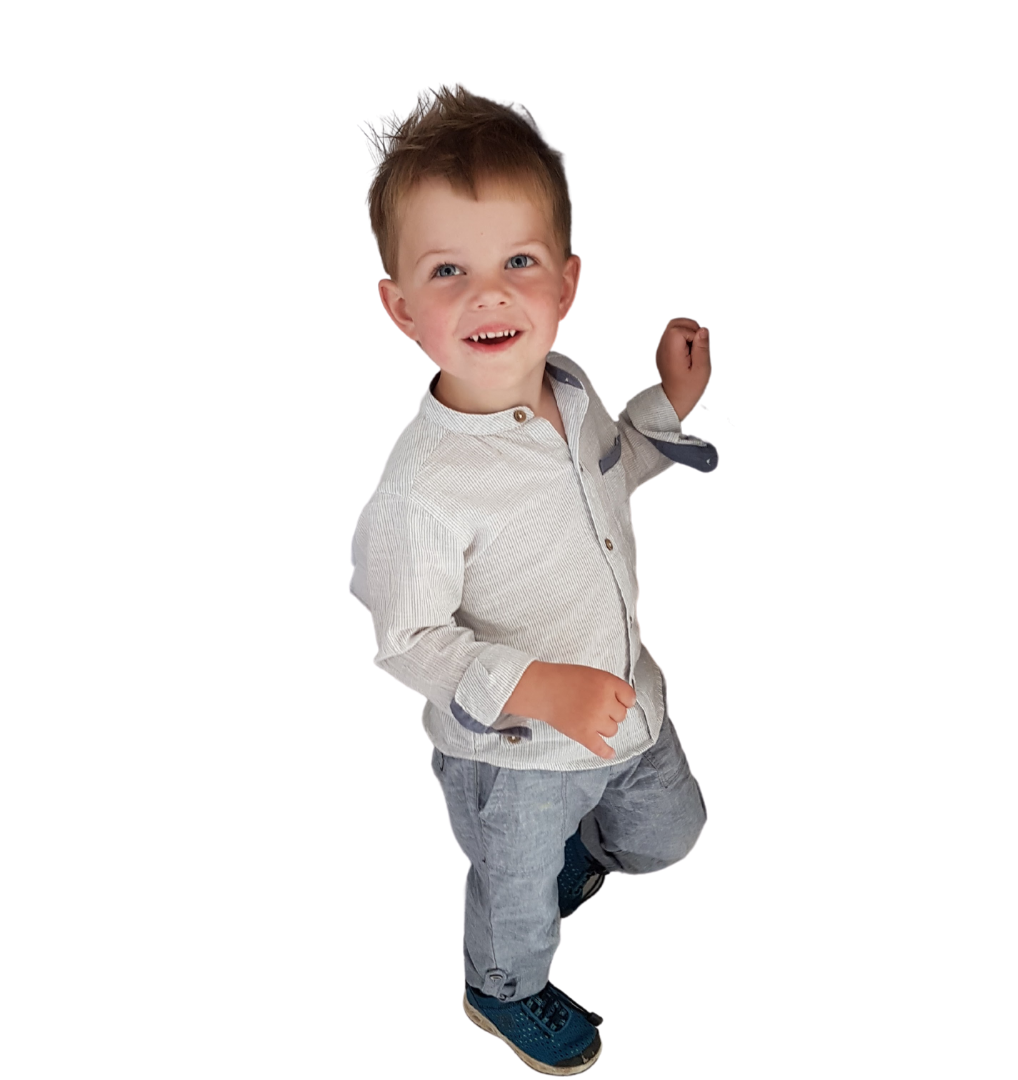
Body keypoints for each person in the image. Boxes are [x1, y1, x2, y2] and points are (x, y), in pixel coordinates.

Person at [350, 85, 715, 1075]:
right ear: (402, 307)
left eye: (518, 262)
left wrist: (668, 403)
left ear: (565, 281)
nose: (490, 294)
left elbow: (610, 474)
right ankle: (499, 987)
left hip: (626, 701)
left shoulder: (571, 389)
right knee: (517, 904)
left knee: (670, 833)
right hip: (513, 756)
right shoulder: (424, 491)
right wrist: (539, 686)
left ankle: (580, 856)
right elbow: (408, 640)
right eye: (449, 270)